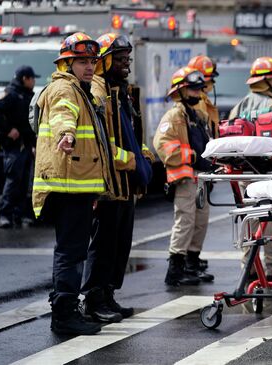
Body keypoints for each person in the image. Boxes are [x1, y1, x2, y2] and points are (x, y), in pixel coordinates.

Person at [32, 32, 114, 335]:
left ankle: (65, 306)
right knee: (71, 252)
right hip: (68, 186)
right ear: (66, 64)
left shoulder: (81, 89)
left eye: (92, 61)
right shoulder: (64, 90)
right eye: (82, 61)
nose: (90, 66)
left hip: (77, 184)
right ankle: (64, 315)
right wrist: (66, 135)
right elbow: (64, 116)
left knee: (73, 250)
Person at [81, 33, 154, 323]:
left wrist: (144, 157)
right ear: (105, 61)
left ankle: (109, 295)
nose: (126, 64)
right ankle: (93, 299)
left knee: (120, 244)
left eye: (127, 59)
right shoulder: (98, 92)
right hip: (108, 186)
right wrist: (131, 160)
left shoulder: (122, 91)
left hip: (127, 185)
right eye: (120, 59)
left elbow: (133, 135)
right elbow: (100, 142)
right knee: (103, 245)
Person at [229, 56, 272, 278]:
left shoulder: (239, 106)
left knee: (250, 219)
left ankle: (250, 269)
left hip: (246, 173)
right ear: (265, 81)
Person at [153, 66, 214, 286]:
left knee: (200, 222)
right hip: (186, 178)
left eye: (199, 89)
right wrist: (191, 156)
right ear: (180, 90)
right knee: (185, 222)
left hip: (201, 178)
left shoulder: (197, 115)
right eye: (192, 89)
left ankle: (192, 264)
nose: (197, 93)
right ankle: (175, 270)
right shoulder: (174, 116)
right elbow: (162, 145)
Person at [183, 54, 220, 279]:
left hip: (204, 167)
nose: (208, 85)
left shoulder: (203, 102)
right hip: (193, 170)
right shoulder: (193, 105)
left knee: (200, 220)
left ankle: (192, 259)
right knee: (188, 220)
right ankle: (186, 262)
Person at [0, 65, 38, 229]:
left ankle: (20, 214)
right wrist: (8, 130)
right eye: (32, 78)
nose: (34, 81)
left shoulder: (27, 95)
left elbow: (28, 124)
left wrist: (33, 144)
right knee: (13, 180)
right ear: (25, 78)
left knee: (24, 182)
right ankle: (5, 215)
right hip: (14, 146)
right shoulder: (11, 93)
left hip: (26, 145)